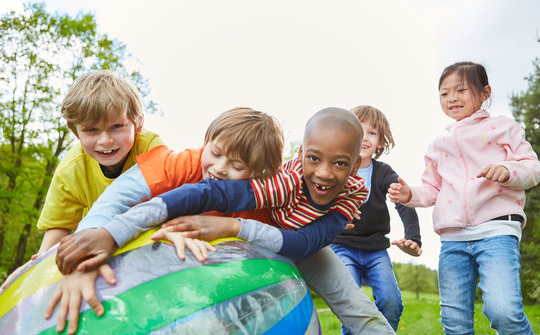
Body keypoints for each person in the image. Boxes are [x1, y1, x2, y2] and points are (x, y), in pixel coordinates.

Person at [49, 107, 395, 334]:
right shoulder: (193, 167)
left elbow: (302, 244)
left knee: (355, 304)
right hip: (259, 239)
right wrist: (95, 244)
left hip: (297, 239)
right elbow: (126, 199)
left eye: (237, 166)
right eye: (214, 153)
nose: (218, 168)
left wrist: (232, 227)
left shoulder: (280, 189)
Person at [388, 61, 540, 335]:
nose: (452, 98)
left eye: (460, 90)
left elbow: (532, 168)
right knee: (455, 323)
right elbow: (432, 189)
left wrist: (507, 169)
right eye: (444, 94)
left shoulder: (503, 128)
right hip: (453, 240)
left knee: (503, 312)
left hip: (497, 231)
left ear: (484, 92)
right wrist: (410, 194)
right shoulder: (438, 145)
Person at [0, 70, 163, 292]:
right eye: (91, 130)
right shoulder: (71, 169)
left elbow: (170, 200)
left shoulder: (150, 149)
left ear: (138, 123)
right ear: (76, 133)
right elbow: (60, 227)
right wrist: (35, 268)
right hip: (96, 245)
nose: (106, 140)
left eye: (117, 126)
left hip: (146, 242)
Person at [329, 105, 422, 332]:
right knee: (351, 303)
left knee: (391, 301)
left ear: (380, 142)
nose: (364, 138)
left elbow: (403, 201)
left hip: (375, 251)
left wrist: (414, 238)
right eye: (358, 131)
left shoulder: (383, 172)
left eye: (371, 133)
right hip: (342, 247)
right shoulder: (335, 168)